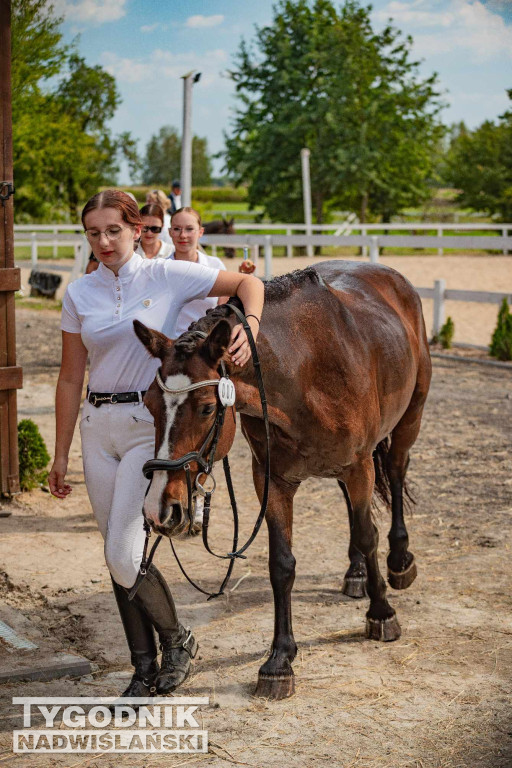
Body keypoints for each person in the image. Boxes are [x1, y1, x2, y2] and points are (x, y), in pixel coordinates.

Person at [48, 189, 263, 699]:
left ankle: (177, 640)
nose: (103, 241)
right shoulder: (80, 294)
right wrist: (60, 453)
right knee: (117, 555)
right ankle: (144, 670)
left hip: (149, 422)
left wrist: (247, 328)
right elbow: (69, 377)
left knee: (125, 553)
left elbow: (248, 283)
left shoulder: (165, 274)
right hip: (98, 427)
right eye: (93, 233)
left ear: (138, 230)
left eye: (113, 230)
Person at [169, 207, 227, 338]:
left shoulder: (215, 265)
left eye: (189, 229)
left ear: (200, 232)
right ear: (170, 232)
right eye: (177, 229)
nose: (182, 235)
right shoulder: (160, 269)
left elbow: (224, 309)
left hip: (205, 344)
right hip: (171, 344)